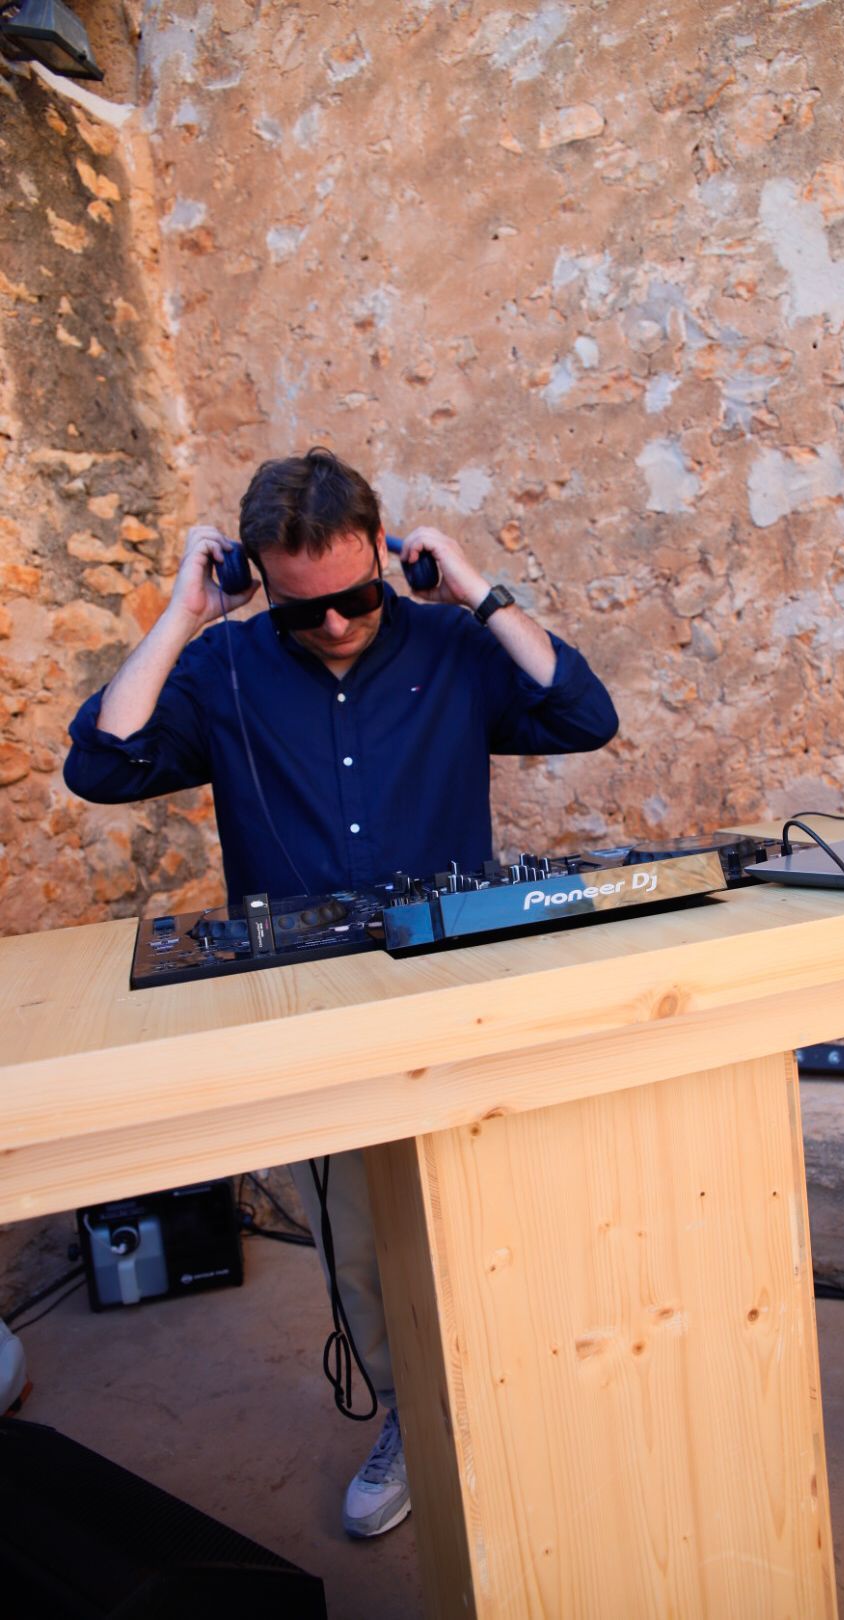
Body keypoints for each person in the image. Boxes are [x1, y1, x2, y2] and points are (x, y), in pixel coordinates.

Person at [63, 446, 619, 1539]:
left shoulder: (456, 646)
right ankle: (414, 1417)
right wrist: (184, 614)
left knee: (500, 1211)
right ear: (257, 582)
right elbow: (102, 765)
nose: (332, 626)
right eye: (298, 610)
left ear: (388, 551)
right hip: (314, 1007)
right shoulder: (225, 670)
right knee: (358, 1241)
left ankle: (533, 1408)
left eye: (356, 598)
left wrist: (472, 584)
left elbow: (580, 713)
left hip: (459, 986)